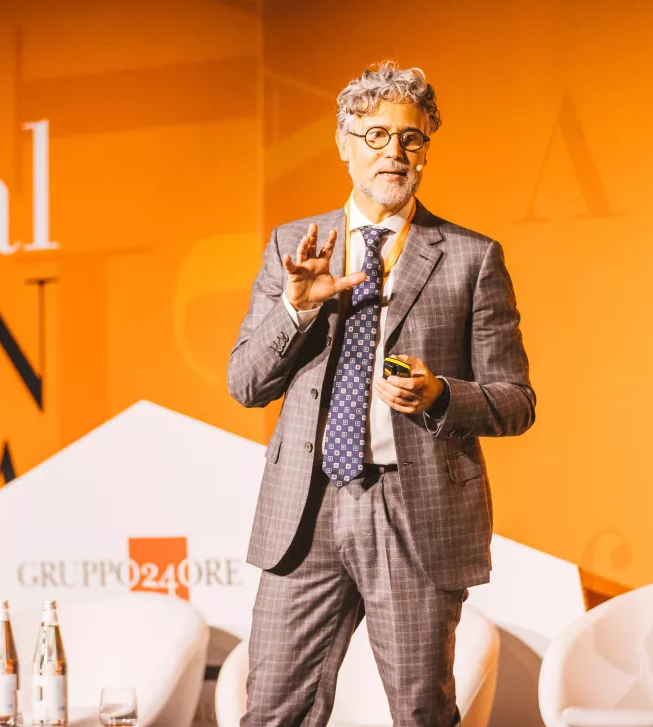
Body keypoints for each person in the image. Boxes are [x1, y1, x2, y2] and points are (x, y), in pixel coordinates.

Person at [227, 61, 535, 727]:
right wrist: (296, 310)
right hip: (304, 510)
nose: (392, 152)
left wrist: (441, 395)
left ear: (427, 145)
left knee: (421, 711)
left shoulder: (471, 256)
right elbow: (246, 383)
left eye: (410, 138)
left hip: (413, 507)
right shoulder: (294, 245)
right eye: (374, 135)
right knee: (272, 709)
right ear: (343, 143)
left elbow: (516, 399)